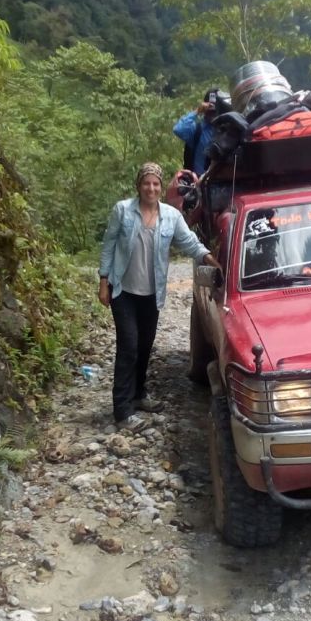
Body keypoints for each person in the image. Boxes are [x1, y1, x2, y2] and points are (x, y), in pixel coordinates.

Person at [99, 162, 221, 430]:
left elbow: (189, 242)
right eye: (146, 183)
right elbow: (108, 244)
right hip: (123, 292)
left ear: (160, 186)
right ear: (138, 185)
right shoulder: (123, 211)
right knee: (128, 347)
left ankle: (139, 394)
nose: (151, 188)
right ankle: (122, 411)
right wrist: (103, 281)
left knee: (144, 346)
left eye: (155, 183)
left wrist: (211, 260)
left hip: (152, 294)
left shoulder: (171, 216)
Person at [172, 89, 228, 175]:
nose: (212, 114)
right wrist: (197, 111)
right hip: (197, 179)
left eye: (215, 111)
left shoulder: (226, 130)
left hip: (219, 180)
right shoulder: (197, 130)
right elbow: (178, 129)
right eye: (209, 111)